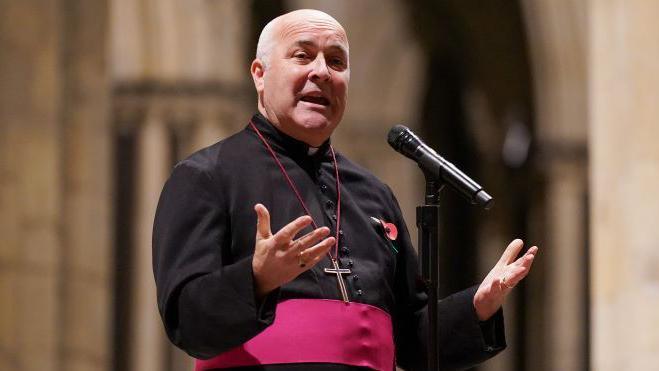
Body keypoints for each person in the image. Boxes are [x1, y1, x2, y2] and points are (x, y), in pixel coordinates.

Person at [152, 9, 538, 371]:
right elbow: (187, 321)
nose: (321, 72)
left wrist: (477, 307)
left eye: (336, 62)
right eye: (303, 56)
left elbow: (413, 341)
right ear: (259, 73)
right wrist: (256, 279)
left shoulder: (372, 193)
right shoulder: (206, 176)